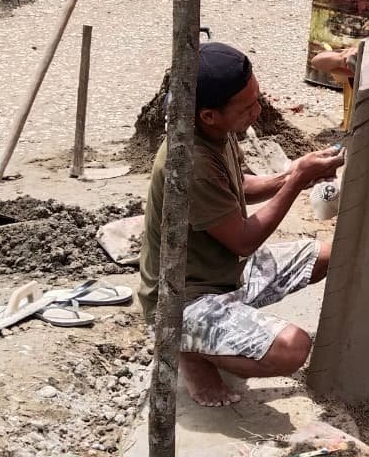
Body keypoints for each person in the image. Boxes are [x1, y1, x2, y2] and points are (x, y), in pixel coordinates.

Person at [137, 42, 346, 407]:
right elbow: (244, 241)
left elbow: (240, 186)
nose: (258, 110)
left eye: (256, 98)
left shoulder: (214, 132)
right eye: (247, 107)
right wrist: (296, 181)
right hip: (184, 300)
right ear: (209, 115)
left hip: (225, 274)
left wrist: (293, 173)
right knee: (292, 348)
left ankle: (206, 341)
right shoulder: (189, 162)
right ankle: (187, 350)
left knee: (329, 256)